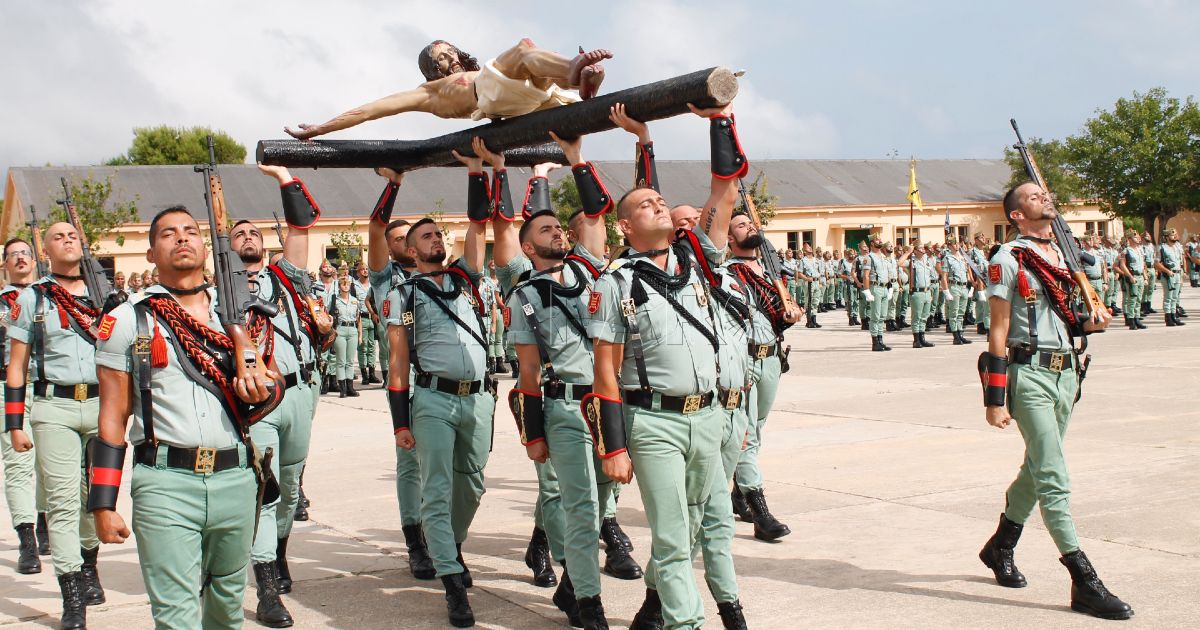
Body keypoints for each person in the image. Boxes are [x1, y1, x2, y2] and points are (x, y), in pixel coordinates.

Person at [587, 100, 744, 630]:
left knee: (698, 527)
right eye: (647, 204)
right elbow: (604, 369)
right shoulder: (614, 283)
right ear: (625, 227)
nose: (659, 205)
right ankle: (686, 623)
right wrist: (612, 446)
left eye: (660, 199)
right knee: (674, 537)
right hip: (653, 422)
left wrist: (719, 120)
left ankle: (652, 612)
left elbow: (723, 192)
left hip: (709, 418)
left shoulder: (697, 259)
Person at [90, 206, 281, 629]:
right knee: (176, 616)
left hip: (235, 478)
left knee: (228, 610)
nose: (181, 238)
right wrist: (102, 504)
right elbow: (112, 415)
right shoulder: (128, 319)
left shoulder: (241, 314)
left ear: (205, 246)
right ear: (150, 253)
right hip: (166, 483)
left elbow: (274, 379)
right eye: (168, 233)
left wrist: (264, 389)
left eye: (190, 231)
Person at [978, 181, 1132, 620]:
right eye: (1032, 196)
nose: (1043, 197)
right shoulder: (1008, 260)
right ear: (1016, 215)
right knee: (1053, 476)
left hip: (1067, 374)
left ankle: (1000, 545)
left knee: (1038, 466)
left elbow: (1068, 322)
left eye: (1044, 194)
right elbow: (999, 331)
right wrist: (995, 398)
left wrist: (1091, 323)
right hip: (1029, 377)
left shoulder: (1063, 256)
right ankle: (1084, 581)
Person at [385, 159, 493, 627]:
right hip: (432, 400)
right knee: (437, 487)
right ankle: (451, 580)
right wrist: (400, 421)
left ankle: (447, 543)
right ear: (410, 250)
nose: (435, 239)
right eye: (425, 236)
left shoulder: (467, 278)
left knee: (471, 483)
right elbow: (396, 362)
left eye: (437, 234)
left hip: (479, 397)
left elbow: (478, 224)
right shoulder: (403, 294)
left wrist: (477, 171)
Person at [228, 164, 324, 626]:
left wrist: (284, 178)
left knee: (289, 491)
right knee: (263, 490)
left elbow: (302, 228)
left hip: (301, 391)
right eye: (238, 233)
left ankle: (279, 551)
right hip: (258, 400)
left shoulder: (286, 276)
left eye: (253, 232)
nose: (247, 237)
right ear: (228, 246)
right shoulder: (217, 289)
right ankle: (267, 586)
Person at [5, 222, 107, 629]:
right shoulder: (34, 298)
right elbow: (15, 366)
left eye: (72, 234)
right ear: (43, 249)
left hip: (102, 405)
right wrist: (16, 424)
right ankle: (73, 594)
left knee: (95, 497)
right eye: (57, 236)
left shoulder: (105, 295)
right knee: (63, 501)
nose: (67, 239)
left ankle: (89, 564)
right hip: (54, 408)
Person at [286, 39, 612, 138]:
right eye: (440, 59)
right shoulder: (429, 93)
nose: (450, 60)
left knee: (534, 64)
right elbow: (372, 110)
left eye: (451, 52)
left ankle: (576, 79)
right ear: (432, 71)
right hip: (490, 97)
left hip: (530, 100)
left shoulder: (478, 69)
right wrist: (320, 129)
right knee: (522, 50)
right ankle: (573, 70)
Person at [365, 173, 437, 582]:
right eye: (399, 239)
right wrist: (394, 183)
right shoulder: (385, 278)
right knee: (411, 465)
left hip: (440, 380)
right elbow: (377, 226)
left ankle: (439, 533)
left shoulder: (439, 275)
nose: (406, 242)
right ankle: (416, 540)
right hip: (406, 381)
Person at [1, 238, 48, 575]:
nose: (20, 258)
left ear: (35, 261)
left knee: (51, 464)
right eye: (12, 254)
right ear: (4, 264)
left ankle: (45, 523)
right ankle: (27, 538)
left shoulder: (52, 299)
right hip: (10, 388)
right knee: (18, 464)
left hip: (49, 387)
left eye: (25, 253)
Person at [330, 275, 362, 398]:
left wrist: (360, 335)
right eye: (343, 284)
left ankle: (350, 388)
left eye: (347, 284)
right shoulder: (335, 301)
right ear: (339, 286)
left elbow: (358, 319)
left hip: (352, 329)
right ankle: (342, 389)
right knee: (341, 361)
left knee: (350, 361)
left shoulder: (355, 300)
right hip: (340, 330)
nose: (345, 285)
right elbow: (330, 315)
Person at [939, 236, 973, 345]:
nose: (957, 245)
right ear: (949, 246)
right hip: (954, 286)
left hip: (963, 287)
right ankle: (955, 336)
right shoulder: (947, 258)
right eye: (954, 244)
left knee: (961, 313)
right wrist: (946, 291)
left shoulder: (962, 258)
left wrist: (971, 286)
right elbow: (944, 276)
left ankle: (960, 334)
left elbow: (967, 273)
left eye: (957, 243)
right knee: (954, 312)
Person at [900, 244, 935, 347]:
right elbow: (899, 263)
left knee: (924, 317)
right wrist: (908, 252)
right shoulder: (912, 261)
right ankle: (916, 340)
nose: (923, 249)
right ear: (915, 251)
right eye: (920, 248)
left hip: (927, 291)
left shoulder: (927, 261)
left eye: (923, 247)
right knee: (917, 317)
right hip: (917, 292)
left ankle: (922, 338)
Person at [353, 261, 382, 385]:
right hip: (362, 318)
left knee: (372, 347)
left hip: (373, 318)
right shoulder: (354, 286)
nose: (365, 271)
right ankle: (364, 374)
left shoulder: (373, 284)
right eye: (362, 269)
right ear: (357, 272)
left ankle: (372, 373)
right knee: (363, 347)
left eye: (366, 269)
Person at [861, 237, 891, 351]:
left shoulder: (883, 257)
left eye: (880, 239)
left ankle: (880, 340)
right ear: (872, 243)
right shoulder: (869, 258)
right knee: (875, 316)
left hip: (884, 287)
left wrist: (889, 288)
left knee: (883, 316)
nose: (880, 241)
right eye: (877, 240)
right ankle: (875, 342)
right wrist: (867, 291)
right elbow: (866, 275)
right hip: (875, 287)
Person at [1113, 232, 1147, 330]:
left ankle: (1137, 318)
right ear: (1130, 239)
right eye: (1135, 237)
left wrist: (1145, 277)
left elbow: (1143, 264)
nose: (1138, 238)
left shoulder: (1140, 250)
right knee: (1132, 299)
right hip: (1133, 276)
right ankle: (1131, 320)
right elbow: (1122, 265)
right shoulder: (1126, 251)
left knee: (1139, 299)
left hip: (1140, 276)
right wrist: (1129, 276)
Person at [1155, 228, 1186, 326]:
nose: (1175, 236)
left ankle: (1174, 316)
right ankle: (1168, 318)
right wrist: (1167, 271)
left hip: (1177, 273)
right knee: (1168, 297)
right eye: (1173, 235)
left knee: (1175, 297)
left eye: (1176, 234)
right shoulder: (1162, 248)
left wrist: (1182, 274)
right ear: (1167, 237)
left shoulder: (1178, 247)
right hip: (1168, 275)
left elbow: (1181, 261)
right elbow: (1156, 263)